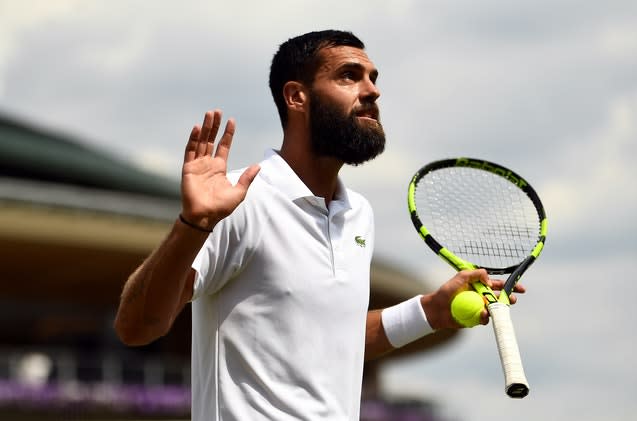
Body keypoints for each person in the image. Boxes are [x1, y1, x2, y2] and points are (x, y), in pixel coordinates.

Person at [114, 30, 523, 421]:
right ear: (297, 97)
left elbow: (331, 342)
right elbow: (136, 327)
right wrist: (192, 224)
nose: (372, 90)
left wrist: (431, 310)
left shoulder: (358, 213)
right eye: (349, 76)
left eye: (373, 78)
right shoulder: (238, 201)